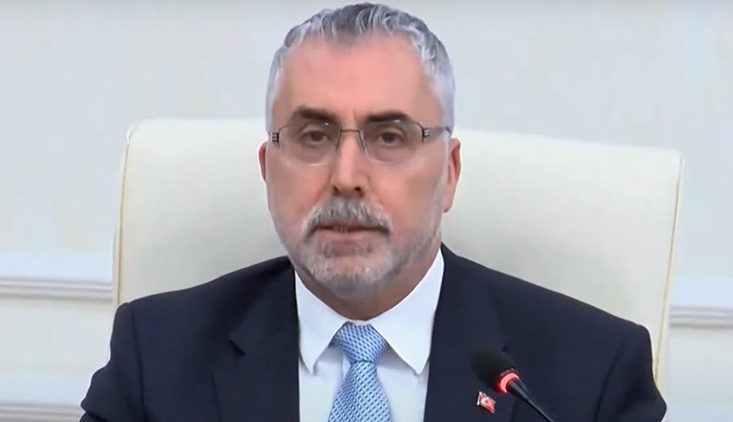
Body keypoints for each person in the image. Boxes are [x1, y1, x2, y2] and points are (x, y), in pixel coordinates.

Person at [80, 3, 666, 422]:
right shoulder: (157, 356)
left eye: (389, 137)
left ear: (449, 173)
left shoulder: (590, 375)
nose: (346, 177)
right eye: (313, 136)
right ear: (268, 170)